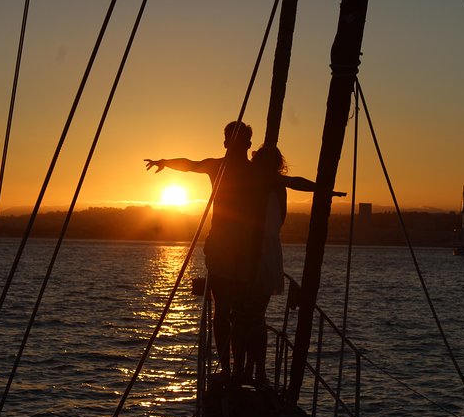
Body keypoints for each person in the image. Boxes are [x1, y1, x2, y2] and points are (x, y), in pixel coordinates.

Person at [144, 120, 255, 378]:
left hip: (231, 248)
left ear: (229, 142)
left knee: (226, 310)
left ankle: (232, 368)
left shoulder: (222, 167)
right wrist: (165, 161)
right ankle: (237, 368)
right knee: (238, 311)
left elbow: (190, 164)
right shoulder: (236, 169)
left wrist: (164, 161)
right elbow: (189, 164)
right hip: (235, 248)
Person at [231, 145, 345, 386]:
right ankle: (248, 369)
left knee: (247, 316)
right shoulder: (271, 184)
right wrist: (324, 190)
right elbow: (295, 184)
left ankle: (249, 369)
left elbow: (297, 182)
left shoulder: (268, 183)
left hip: (257, 252)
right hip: (257, 251)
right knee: (249, 316)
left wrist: (324, 190)